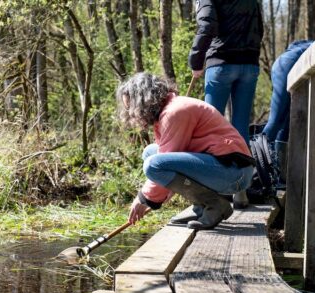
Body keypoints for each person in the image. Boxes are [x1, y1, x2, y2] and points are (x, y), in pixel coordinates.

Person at [117, 72, 255, 229]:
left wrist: (143, 198)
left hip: (235, 173)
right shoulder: (168, 111)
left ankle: (215, 205)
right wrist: (160, 192)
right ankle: (202, 207)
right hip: (223, 169)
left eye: (131, 107)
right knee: (150, 152)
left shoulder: (174, 112)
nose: (131, 113)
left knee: (152, 163)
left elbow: (163, 163)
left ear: (142, 100)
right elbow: (171, 163)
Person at [188, 0, 264, 209]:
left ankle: (208, 198)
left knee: (208, 130)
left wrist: (196, 59)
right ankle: (241, 193)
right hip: (249, 65)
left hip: (220, 64)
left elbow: (207, 25)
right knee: (240, 129)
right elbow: (260, 27)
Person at [262, 40, 314, 183]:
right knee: (276, 120)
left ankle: (279, 174)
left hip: (290, 65)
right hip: (286, 66)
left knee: (285, 122)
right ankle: (257, 167)